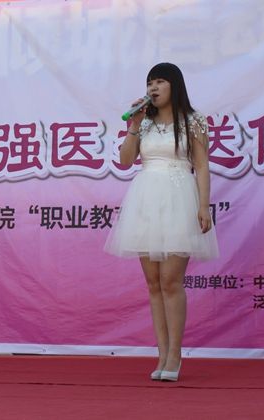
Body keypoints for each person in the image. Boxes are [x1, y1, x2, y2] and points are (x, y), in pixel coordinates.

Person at [104, 62, 219, 382]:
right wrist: (134, 125)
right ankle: (162, 354)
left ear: (174, 85)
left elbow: (202, 165)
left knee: (170, 280)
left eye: (159, 82)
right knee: (153, 283)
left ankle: (175, 356)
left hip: (179, 198)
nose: (153, 88)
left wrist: (204, 206)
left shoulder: (193, 119)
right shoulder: (144, 121)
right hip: (145, 201)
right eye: (149, 83)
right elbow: (126, 160)